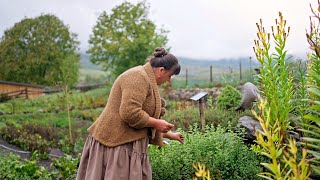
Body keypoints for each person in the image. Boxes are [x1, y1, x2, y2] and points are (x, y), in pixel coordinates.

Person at [76, 47, 184, 180]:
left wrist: (169, 134)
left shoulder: (148, 79)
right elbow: (130, 112)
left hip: (126, 145)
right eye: (170, 76)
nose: (169, 80)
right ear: (161, 70)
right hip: (114, 144)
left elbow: (146, 118)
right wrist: (157, 123)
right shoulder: (137, 77)